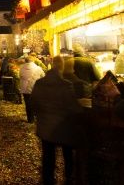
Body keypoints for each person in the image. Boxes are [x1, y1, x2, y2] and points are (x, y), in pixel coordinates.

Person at [31, 56, 84, 185]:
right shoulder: (66, 85)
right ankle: (69, 178)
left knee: (48, 157)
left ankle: (48, 180)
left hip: (46, 127)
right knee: (68, 155)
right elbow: (73, 108)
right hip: (64, 126)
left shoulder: (39, 83)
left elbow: (33, 104)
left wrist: (42, 115)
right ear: (62, 68)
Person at [19, 56, 44, 123]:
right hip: (35, 88)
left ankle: (30, 119)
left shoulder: (21, 68)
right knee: (36, 103)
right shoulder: (38, 68)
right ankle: (36, 117)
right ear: (33, 61)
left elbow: (20, 76)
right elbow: (43, 76)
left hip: (25, 89)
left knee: (27, 104)